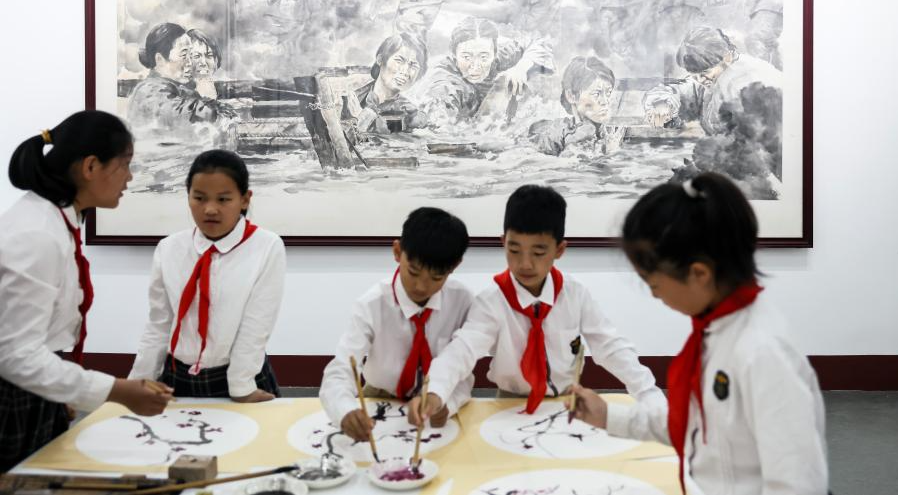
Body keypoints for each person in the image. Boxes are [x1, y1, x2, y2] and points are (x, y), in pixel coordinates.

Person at [567, 175, 828, 495]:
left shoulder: (762, 352)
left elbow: (797, 484)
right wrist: (610, 416)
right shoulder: (716, 331)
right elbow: (697, 425)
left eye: (654, 284)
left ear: (699, 274)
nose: (654, 296)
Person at [1, 112, 173, 470]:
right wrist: (115, 390)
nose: (130, 177)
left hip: (32, 384)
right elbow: (16, 356)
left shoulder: (53, 219)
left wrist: (64, 389)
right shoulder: (36, 235)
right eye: (125, 165)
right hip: (12, 395)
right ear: (91, 166)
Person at [408, 185, 664, 422]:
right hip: (508, 404)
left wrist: (649, 394)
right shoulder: (492, 301)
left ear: (559, 250)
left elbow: (610, 346)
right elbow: (462, 350)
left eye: (539, 252)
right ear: (503, 243)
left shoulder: (574, 294)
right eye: (514, 250)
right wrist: (435, 391)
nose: (525, 264)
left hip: (566, 401)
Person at [128, 150, 286, 399]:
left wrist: (241, 386)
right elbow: (159, 323)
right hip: (176, 375)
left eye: (223, 199)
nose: (210, 209)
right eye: (199, 198)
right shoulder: (169, 248)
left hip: (242, 376)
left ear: (245, 199)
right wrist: (140, 381)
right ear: (188, 196)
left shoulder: (266, 246)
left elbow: (256, 325)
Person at [320, 208, 473, 440]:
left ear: (455, 266)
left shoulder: (462, 302)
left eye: (436, 278)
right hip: (379, 396)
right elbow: (341, 368)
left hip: (438, 399)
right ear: (397, 251)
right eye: (413, 272)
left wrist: (448, 403)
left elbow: (462, 369)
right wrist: (344, 410)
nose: (421, 287)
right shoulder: (372, 304)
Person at [643, 27, 781, 136]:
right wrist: (661, 103)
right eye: (694, 75)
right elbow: (682, 90)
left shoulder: (751, 82)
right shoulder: (710, 77)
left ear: (727, 57)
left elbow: (759, 139)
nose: (700, 80)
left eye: (705, 73)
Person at [420, 17, 554, 126]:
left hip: (493, 118)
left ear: (494, 53)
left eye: (483, 57)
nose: (475, 66)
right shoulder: (444, 83)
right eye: (466, 57)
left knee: (510, 80)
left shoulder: (501, 56)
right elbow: (437, 125)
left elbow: (539, 42)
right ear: (454, 54)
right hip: (467, 128)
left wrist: (521, 68)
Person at [126, 22, 236, 131]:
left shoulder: (177, 90)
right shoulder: (151, 92)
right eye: (184, 55)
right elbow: (196, 122)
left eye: (191, 55)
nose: (190, 62)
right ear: (159, 59)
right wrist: (207, 99)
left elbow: (227, 115)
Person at [529, 56, 624, 157]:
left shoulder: (606, 132)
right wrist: (611, 153)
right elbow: (573, 164)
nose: (605, 101)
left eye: (608, 93)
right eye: (596, 94)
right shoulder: (561, 134)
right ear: (571, 96)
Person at [345, 33, 428, 134]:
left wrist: (362, 116)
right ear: (380, 60)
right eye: (399, 61)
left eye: (413, 65)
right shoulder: (353, 98)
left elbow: (388, 130)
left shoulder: (410, 114)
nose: (405, 71)